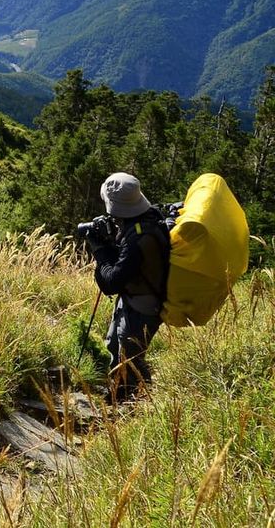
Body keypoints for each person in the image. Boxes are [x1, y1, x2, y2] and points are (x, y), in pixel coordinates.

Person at [87, 172, 171, 402]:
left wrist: (100, 251)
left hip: (143, 308)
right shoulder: (147, 218)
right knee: (114, 347)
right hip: (135, 299)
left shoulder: (139, 237)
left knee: (131, 359)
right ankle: (117, 393)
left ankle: (136, 406)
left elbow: (112, 282)